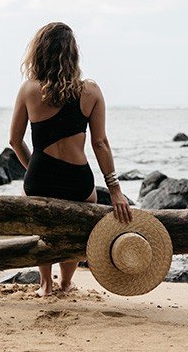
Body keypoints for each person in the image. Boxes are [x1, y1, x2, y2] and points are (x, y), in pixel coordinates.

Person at [9, 22, 133, 297]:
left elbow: (14, 142)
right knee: (77, 232)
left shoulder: (29, 90)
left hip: (40, 178)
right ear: (73, 54)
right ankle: (65, 283)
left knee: (43, 231)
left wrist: (35, 170)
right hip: (77, 180)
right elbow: (100, 143)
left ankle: (46, 284)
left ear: (38, 53)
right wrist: (115, 191)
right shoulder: (91, 91)